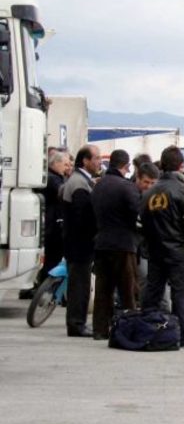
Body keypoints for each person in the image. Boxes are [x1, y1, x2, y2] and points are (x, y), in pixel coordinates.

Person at [138, 146, 184, 347]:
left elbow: (140, 225)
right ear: (181, 166)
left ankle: (146, 329)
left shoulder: (149, 192)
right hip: (177, 251)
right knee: (179, 294)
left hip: (155, 252)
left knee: (153, 291)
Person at [90, 149, 142, 340]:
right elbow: (137, 214)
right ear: (125, 166)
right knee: (128, 290)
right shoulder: (126, 187)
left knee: (103, 291)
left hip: (102, 242)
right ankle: (130, 329)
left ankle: (100, 329)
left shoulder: (98, 185)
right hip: (123, 244)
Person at [61, 145, 102, 338]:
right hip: (80, 245)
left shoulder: (81, 180)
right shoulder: (79, 184)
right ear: (85, 160)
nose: (99, 161)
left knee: (81, 283)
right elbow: (82, 217)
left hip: (77, 243)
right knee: (79, 285)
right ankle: (77, 324)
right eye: (96, 158)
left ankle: (77, 322)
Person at [34, 150, 70, 286]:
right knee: (51, 257)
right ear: (55, 163)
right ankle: (45, 284)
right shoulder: (52, 178)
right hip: (52, 224)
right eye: (65, 164)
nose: (67, 167)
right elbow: (63, 193)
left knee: (53, 257)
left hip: (54, 222)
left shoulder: (57, 177)